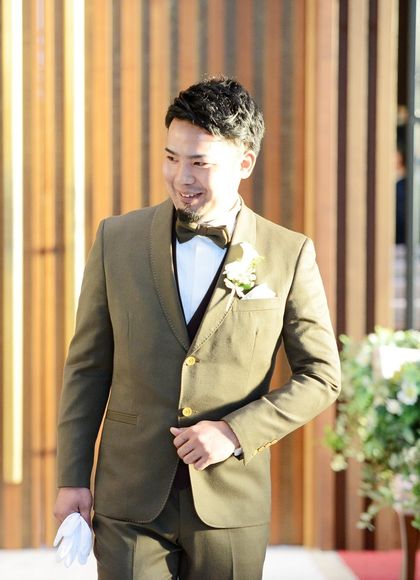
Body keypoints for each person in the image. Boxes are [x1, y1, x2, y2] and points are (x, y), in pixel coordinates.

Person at [53, 76, 341, 579]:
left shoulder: (288, 253)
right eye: (171, 158)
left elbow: (322, 377)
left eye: (200, 163)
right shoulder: (116, 240)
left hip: (230, 505)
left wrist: (234, 432)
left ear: (245, 163)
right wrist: (71, 477)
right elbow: (88, 368)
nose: (181, 177)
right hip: (129, 499)